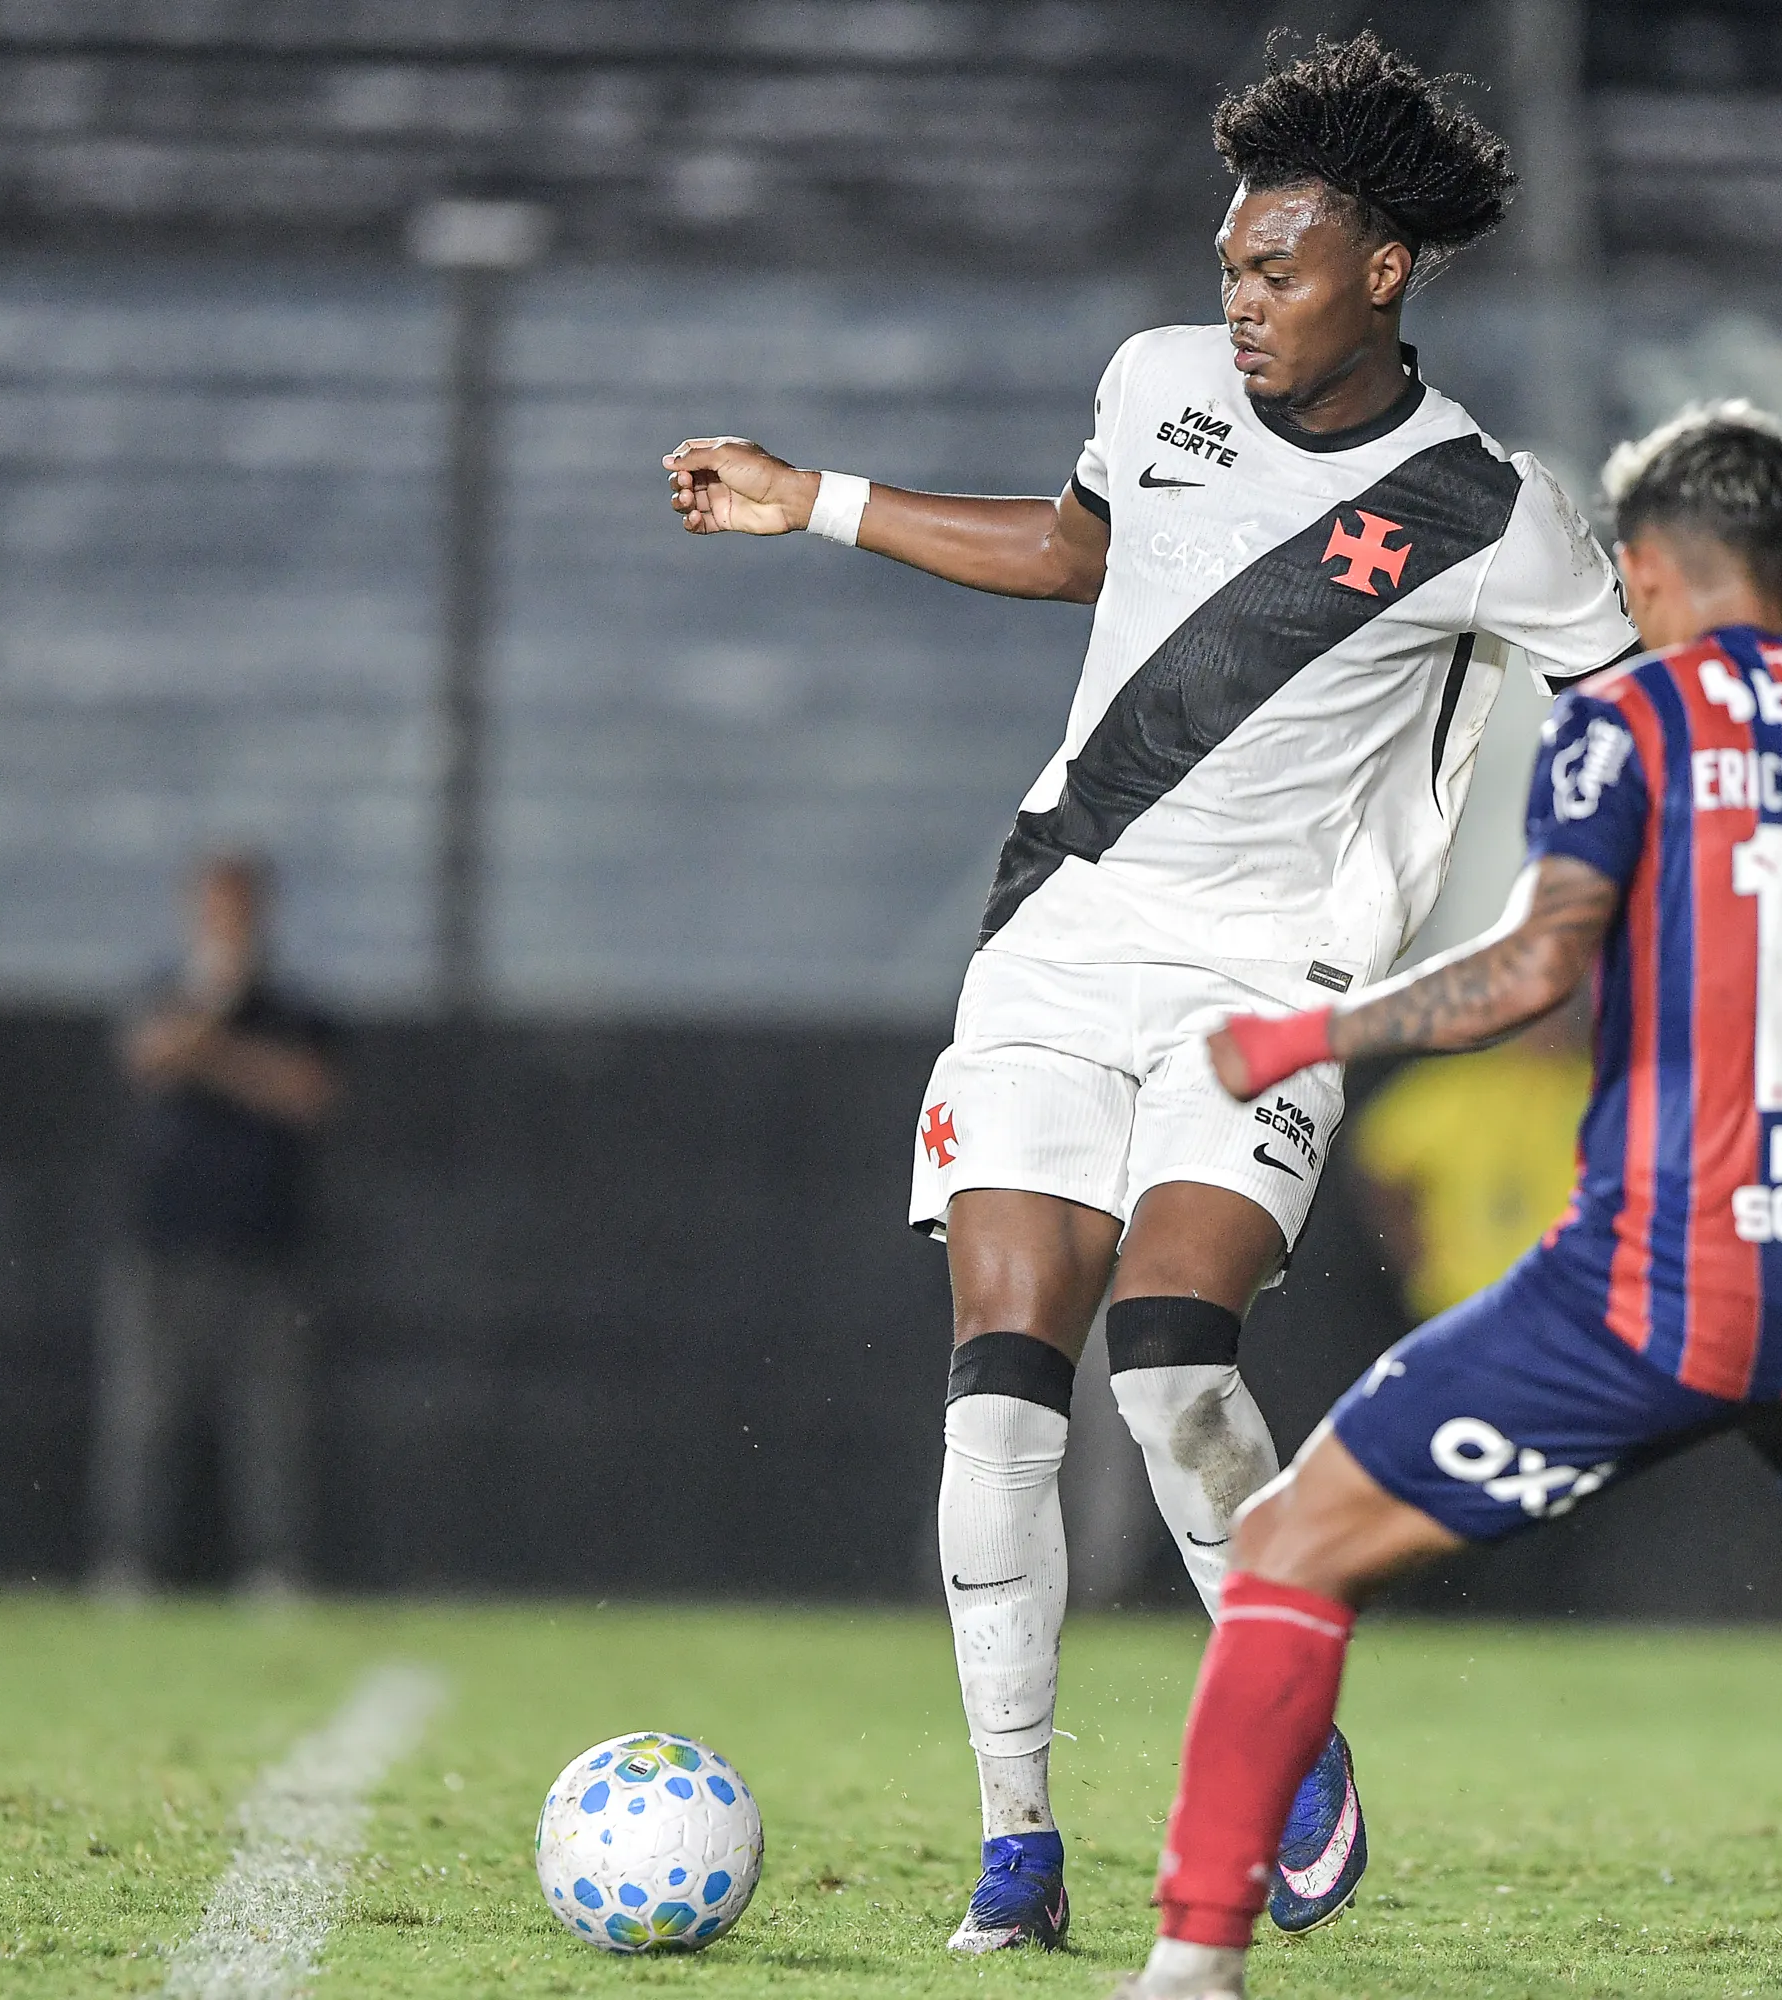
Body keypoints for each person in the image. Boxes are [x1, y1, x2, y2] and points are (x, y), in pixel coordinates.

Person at [660, 33, 1639, 1952]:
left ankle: (1286, 1725)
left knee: (1176, 1359)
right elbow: (1079, 548)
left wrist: (1609, 928)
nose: (1242, 300)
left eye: (1278, 268)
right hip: (1063, 936)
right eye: (1228, 266)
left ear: (1384, 270)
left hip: (1269, 986)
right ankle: (1016, 1848)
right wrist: (820, 502)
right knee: (1005, 1382)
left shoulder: (1485, 510)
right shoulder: (1160, 385)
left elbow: (1638, 718)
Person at [1109, 405, 1782, 2000]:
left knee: (1286, 1550)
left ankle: (1192, 1966)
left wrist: (1313, 1029)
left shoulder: (1631, 724)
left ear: (1641, 577)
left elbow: (1535, 967)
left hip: (1658, 1279)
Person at [89, 852, 341, 1599]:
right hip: (161, 1241)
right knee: (144, 1413)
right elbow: (151, 1057)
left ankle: (274, 1569)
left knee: (269, 1422)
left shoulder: (296, 1009)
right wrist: (213, 1016)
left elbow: (304, 1091)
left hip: (264, 1244)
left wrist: (212, 1049)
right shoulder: (159, 990)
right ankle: (129, 1565)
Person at [1347, 997, 1588, 1320]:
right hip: (1462, 1306)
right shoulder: (1459, 1083)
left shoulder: (1599, 1090)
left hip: (1566, 1310)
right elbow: (1377, 1160)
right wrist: (1421, 1266)